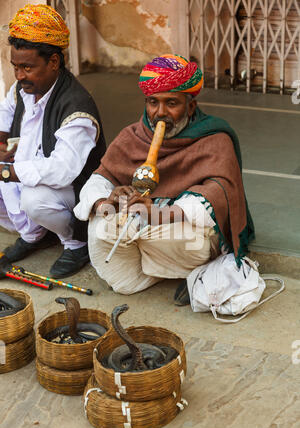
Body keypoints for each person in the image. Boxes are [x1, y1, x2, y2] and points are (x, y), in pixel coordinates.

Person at [74, 54, 254, 302]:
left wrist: (159, 214)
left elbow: (218, 193)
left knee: (187, 238)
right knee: (105, 237)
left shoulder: (214, 139)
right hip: (142, 228)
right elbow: (100, 178)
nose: (160, 113)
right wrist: (106, 201)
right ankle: (166, 271)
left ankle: (190, 268)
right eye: (153, 102)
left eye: (172, 103)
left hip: (178, 230)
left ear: (190, 106)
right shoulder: (133, 136)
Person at [0, 4, 106, 278]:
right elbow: (4, 119)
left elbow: (62, 171)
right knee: (23, 193)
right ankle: (35, 234)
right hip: (31, 173)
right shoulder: (23, 88)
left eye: (27, 67)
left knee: (35, 202)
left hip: (74, 188)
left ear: (54, 62)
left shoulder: (77, 107)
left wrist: (7, 171)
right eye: (15, 67)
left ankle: (76, 243)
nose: (19, 75)